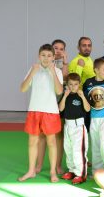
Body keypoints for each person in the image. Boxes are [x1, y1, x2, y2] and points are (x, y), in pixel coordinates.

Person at [18, 44, 63, 183]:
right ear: (39, 56)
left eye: (49, 56)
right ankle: (31, 170)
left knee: (51, 142)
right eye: (43, 55)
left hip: (51, 112)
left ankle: (52, 171)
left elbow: (59, 91)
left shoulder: (57, 71)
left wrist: (53, 72)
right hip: (34, 110)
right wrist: (32, 72)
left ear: (53, 57)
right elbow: (23, 89)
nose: (46, 58)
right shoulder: (33, 69)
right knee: (32, 141)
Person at [35, 39, 68, 175]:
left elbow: (65, 78)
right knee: (42, 135)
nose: (59, 51)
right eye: (56, 48)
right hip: (45, 103)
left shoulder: (65, 65)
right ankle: (39, 165)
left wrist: (65, 63)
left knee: (58, 136)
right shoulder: (44, 63)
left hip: (60, 104)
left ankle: (58, 165)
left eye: (61, 48)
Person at [59, 73, 90, 184]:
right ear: (67, 84)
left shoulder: (82, 95)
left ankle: (81, 174)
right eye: (70, 84)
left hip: (78, 126)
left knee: (78, 151)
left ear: (79, 84)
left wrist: (82, 97)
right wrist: (65, 96)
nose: (73, 87)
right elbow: (60, 109)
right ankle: (72, 170)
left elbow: (87, 109)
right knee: (69, 149)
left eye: (75, 84)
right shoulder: (66, 95)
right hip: (68, 125)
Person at [69, 36, 96, 133]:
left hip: (90, 98)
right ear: (78, 47)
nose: (87, 48)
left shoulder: (90, 59)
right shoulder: (75, 62)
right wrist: (79, 67)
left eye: (89, 45)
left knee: (88, 130)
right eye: (84, 45)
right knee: (80, 132)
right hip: (79, 99)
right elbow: (73, 82)